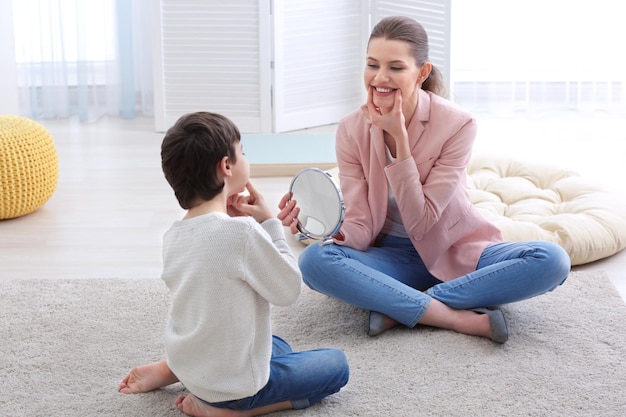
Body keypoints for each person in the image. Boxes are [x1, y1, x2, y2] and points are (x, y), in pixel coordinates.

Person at [278, 16, 570, 344]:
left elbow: (422, 221)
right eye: (372, 65)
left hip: (455, 249)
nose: (380, 78)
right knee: (316, 262)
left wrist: (400, 144)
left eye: (395, 68)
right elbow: (359, 226)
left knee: (552, 260)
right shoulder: (351, 129)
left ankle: (397, 305)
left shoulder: (458, 124)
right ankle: (451, 314)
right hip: (390, 256)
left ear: (423, 73)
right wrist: (319, 225)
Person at [119, 112, 349, 416]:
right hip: (237, 389)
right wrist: (269, 223)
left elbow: (215, 278)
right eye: (243, 152)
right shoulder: (242, 233)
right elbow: (289, 290)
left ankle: (174, 370)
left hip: (195, 366)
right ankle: (235, 411)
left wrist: (236, 223)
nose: (245, 159)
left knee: (275, 343)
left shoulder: (173, 235)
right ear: (226, 166)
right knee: (336, 366)